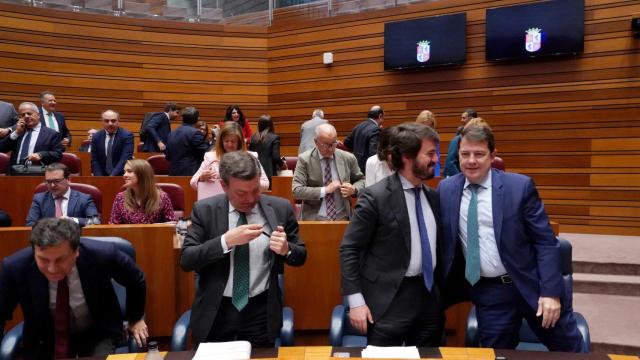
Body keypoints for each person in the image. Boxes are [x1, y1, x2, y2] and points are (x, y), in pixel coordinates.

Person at [437, 124, 585, 351]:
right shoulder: (446, 189)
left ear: (493, 156)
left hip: (533, 284)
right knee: (495, 355)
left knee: (570, 351)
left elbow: (545, 241)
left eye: (479, 154)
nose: (471, 161)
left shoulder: (519, 187)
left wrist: (551, 292)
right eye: (465, 154)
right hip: (491, 292)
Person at [180, 151, 307, 347]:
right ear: (223, 185)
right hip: (217, 311)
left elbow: (300, 254)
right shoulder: (205, 210)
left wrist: (286, 249)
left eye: (255, 190)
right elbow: (187, 259)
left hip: (260, 311)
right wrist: (225, 241)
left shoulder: (280, 208)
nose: (250, 198)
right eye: (241, 193)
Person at [340, 123, 445, 346]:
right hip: (388, 303)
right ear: (407, 157)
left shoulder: (433, 197)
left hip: (429, 302)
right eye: (430, 153)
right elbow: (349, 248)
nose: (436, 159)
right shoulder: (375, 197)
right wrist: (356, 301)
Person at [0, 218, 148, 359]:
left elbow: (136, 280)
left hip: (97, 332)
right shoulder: (15, 267)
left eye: (60, 260)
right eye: (44, 260)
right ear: (34, 252)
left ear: (76, 251)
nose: (52, 269)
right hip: (44, 338)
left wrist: (135, 318)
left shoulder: (103, 255)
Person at [292, 123, 364, 221]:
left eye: (334, 143)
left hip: (343, 218)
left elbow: (361, 180)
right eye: (326, 144)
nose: (331, 149)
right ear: (316, 142)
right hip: (314, 220)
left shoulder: (348, 158)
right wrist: (325, 190)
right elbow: (296, 191)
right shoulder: (305, 160)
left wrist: (354, 189)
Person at [190, 122, 269, 200]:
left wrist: (246, 183)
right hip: (217, 204)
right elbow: (192, 182)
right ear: (221, 141)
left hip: (242, 202)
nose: (229, 145)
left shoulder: (251, 157)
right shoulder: (210, 157)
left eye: (233, 141)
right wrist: (201, 178)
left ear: (239, 142)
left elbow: (266, 184)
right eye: (226, 141)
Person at [26, 162, 99, 227]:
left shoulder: (84, 199)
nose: (52, 185)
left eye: (57, 181)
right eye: (48, 182)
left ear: (68, 180)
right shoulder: (39, 199)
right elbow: (30, 224)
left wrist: (72, 221)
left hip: (75, 240)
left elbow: (95, 221)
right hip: (47, 240)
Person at [109, 159, 176, 224]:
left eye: (129, 171)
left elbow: (171, 226)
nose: (124, 175)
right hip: (127, 235)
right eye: (124, 172)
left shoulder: (162, 197)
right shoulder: (120, 198)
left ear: (142, 174)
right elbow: (113, 227)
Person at [0, 102, 64, 170]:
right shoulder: (18, 132)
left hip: (37, 173)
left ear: (38, 115)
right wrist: (16, 133)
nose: (26, 116)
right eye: (22, 115)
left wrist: (41, 155)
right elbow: (2, 149)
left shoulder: (52, 134)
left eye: (29, 113)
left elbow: (58, 154)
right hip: (14, 172)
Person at [165, 106, 210, 176]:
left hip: (173, 173)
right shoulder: (195, 133)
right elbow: (207, 154)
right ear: (197, 119)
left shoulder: (171, 134)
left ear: (182, 118)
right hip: (190, 175)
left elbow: (168, 156)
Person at [91, 110, 134, 176]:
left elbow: (125, 158)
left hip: (121, 176)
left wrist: (111, 177)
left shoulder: (127, 135)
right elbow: (95, 160)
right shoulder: (96, 137)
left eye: (113, 121)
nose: (110, 123)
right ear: (102, 122)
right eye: (106, 121)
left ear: (118, 121)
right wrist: (99, 178)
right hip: (101, 177)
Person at [343, 105, 384, 174]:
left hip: (355, 166)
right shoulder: (375, 129)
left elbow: (346, 142)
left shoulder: (358, 126)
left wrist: (357, 152)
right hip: (367, 169)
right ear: (380, 116)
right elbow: (373, 153)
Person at [248, 114, 282, 187]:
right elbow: (276, 157)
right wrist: (282, 164)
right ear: (271, 125)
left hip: (255, 172)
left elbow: (250, 155)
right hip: (269, 173)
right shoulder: (275, 137)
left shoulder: (253, 137)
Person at [443, 108, 477, 177]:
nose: (461, 120)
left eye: (464, 118)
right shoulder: (458, 138)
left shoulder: (477, 138)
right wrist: (460, 179)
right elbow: (450, 162)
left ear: (471, 119)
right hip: (457, 177)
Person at [416, 110, 440, 176]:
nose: (426, 129)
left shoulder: (434, 137)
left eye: (429, 126)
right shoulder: (414, 136)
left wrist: (436, 175)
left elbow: (437, 156)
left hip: (430, 171)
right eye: (424, 125)